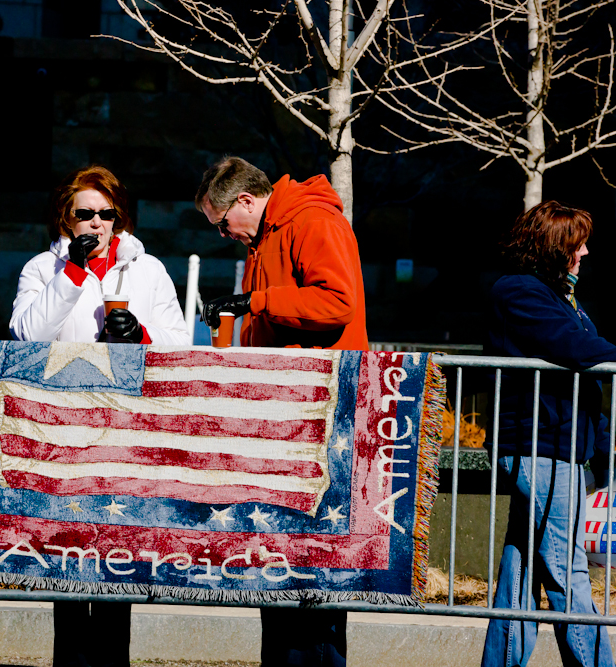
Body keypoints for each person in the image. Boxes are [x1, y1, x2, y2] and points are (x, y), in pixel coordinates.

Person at [10, 165, 191, 667]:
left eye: (106, 214)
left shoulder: (147, 269)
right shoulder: (41, 269)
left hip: (126, 430)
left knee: (117, 560)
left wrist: (139, 336)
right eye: (84, 214)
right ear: (66, 220)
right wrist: (71, 273)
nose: (96, 224)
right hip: (64, 431)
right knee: (66, 560)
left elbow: (179, 344)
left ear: (119, 218)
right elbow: (28, 334)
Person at [197, 156, 367, 666]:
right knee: (278, 565)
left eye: (224, 223)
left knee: (316, 570)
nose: (225, 234)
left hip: (320, 416)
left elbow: (338, 303)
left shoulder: (313, 221)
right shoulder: (267, 234)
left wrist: (259, 302)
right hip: (287, 418)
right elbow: (270, 312)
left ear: (246, 201)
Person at [481, 201, 615, 667]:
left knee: (521, 572)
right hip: (539, 450)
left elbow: (586, 376)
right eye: (578, 243)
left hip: (556, 452)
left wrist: (600, 457)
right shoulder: (520, 291)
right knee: (567, 571)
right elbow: (577, 350)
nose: (585, 252)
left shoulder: (557, 298)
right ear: (556, 248)